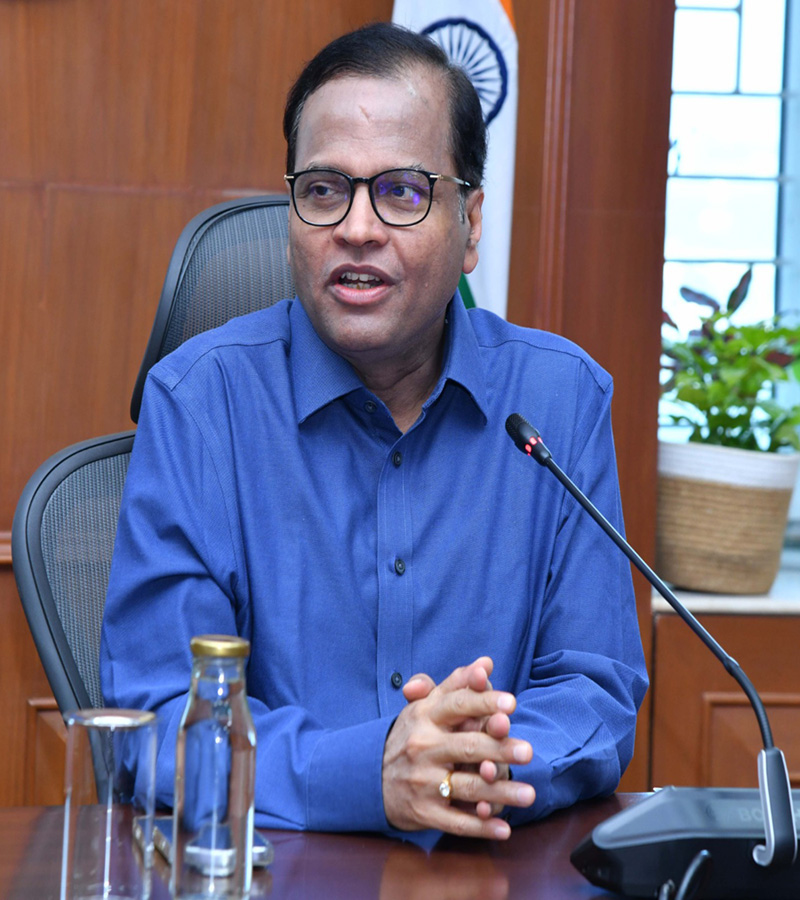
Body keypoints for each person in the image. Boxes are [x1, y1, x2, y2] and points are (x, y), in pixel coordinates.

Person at [100, 22, 647, 841]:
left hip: (485, 866)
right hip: (274, 870)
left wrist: (471, 765)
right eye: (325, 190)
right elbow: (160, 718)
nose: (356, 228)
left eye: (402, 191)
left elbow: (594, 690)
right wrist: (372, 771)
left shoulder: (559, 401)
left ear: (470, 224)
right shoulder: (200, 404)